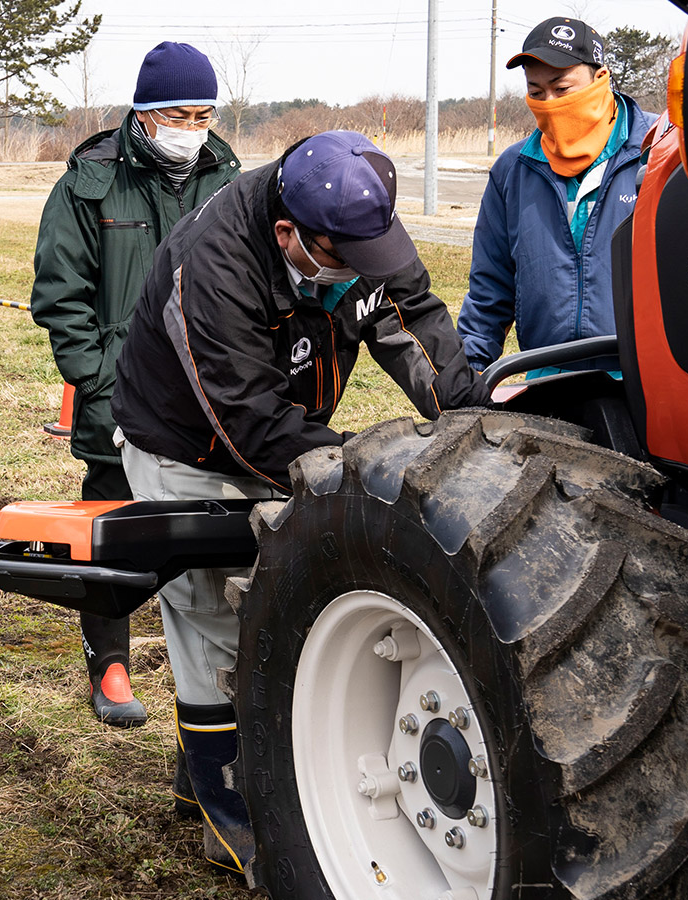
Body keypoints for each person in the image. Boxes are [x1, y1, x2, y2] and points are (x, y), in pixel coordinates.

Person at [109, 130, 488, 875]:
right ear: (290, 235)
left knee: (282, 605)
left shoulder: (359, 224)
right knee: (216, 618)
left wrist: (471, 425)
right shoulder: (212, 266)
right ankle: (230, 818)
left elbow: (412, 323)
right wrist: (355, 473)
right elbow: (246, 419)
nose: (363, 273)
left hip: (286, 426)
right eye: (344, 262)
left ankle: (205, 767)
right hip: (191, 447)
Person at [29, 40, 240, 729]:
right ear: (145, 115)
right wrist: (97, 383)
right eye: (179, 114)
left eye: (204, 114)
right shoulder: (88, 185)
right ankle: (110, 664)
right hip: (119, 400)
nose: (192, 128)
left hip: (208, 401)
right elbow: (61, 296)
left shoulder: (227, 178)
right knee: (114, 533)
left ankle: (208, 687)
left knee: (204, 543)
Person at [457, 17, 655, 374]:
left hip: (646, 378)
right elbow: (490, 288)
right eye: (536, 93)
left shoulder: (659, 149)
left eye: (562, 90)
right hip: (548, 374)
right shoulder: (513, 169)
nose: (549, 103)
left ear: (600, 79)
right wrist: (469, 373)